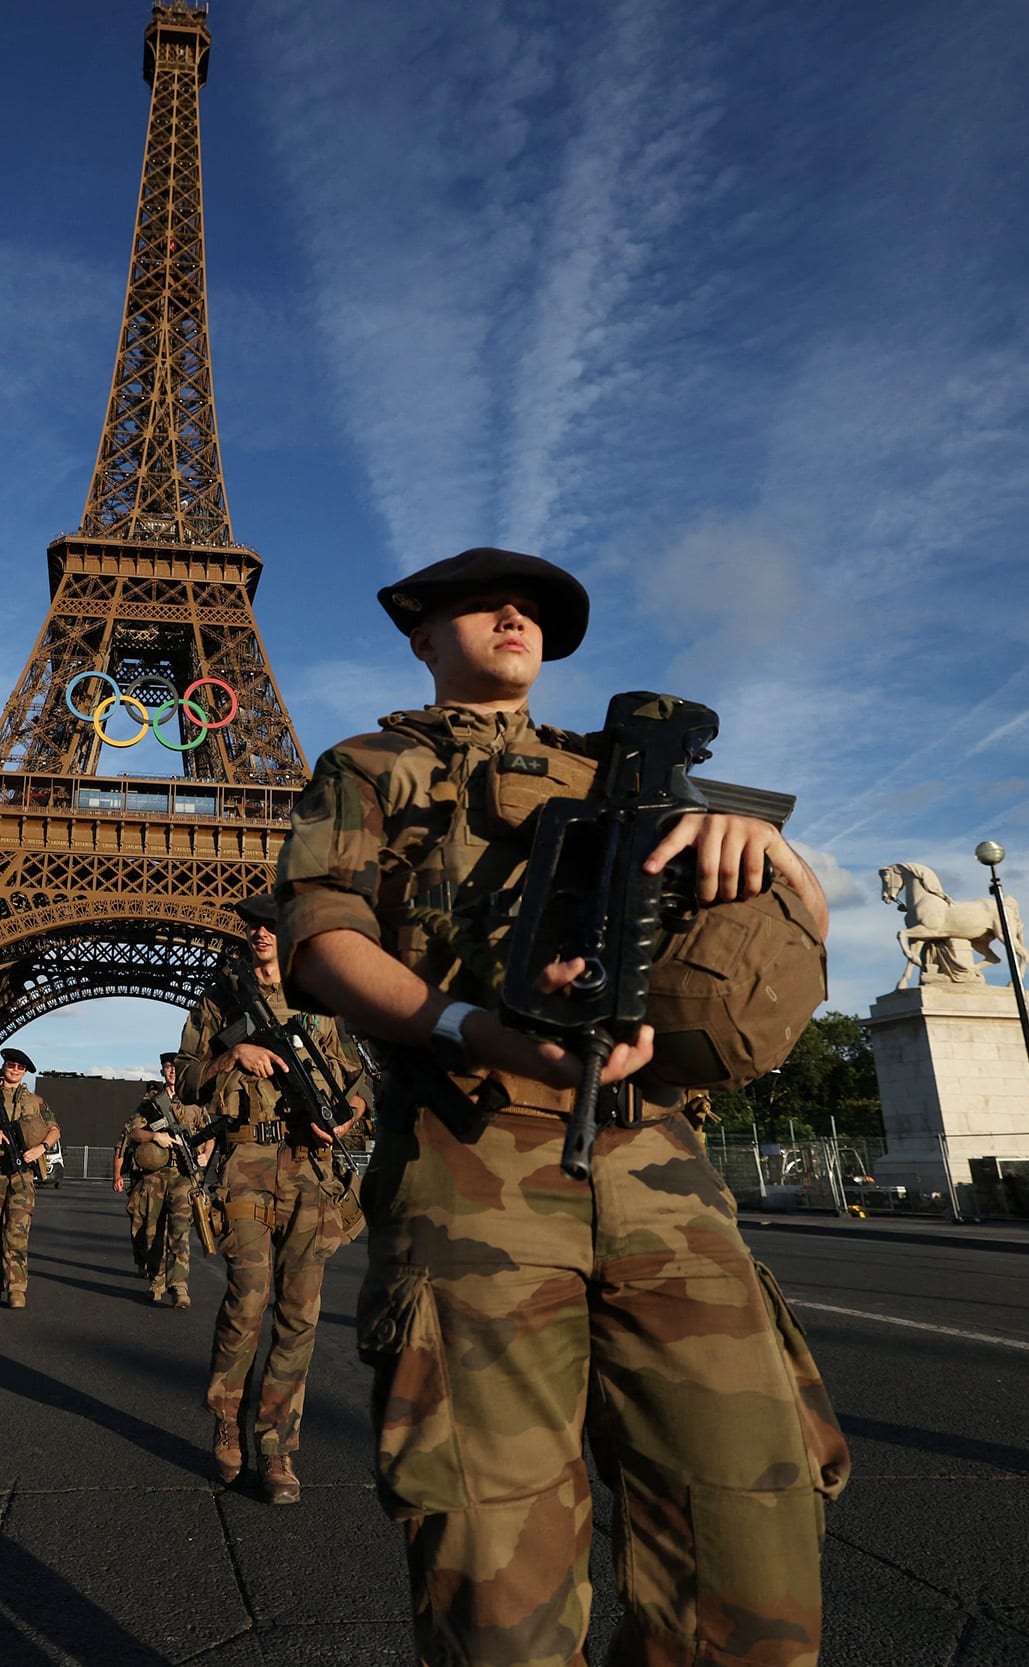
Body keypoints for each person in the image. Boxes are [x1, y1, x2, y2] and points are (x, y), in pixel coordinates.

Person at [274, 547, 849, 1666]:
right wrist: (465, 1025)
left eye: (533, 609)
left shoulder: (629, 776)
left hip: (660, 1164)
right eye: (483, 603)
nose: (513, 615)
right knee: (499, 1587)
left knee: (752, 1546)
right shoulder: (371, 764)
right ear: (421, 636)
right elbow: (319, 931)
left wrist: (766, 847)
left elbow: (802, 926)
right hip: (469, 1156)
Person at [179, 892, 368, 1505]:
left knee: (299, 1315)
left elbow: (360, 1078)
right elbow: (184, 1078)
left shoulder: (324, 1001)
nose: (262, 934)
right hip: (246, 1163)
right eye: (254, 926)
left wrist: (349, 1115)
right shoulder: (220, 997)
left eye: (274, 926)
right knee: (248, 1297)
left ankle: (277, 1447)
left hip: (310, 1167)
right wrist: (234, 1053)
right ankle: (227, 1418)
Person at [0, 1048, 59, 1307]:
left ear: (25, 1071)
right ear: (4, 1066)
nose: (15, 1069)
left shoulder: (36, 1102)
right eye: (11, 1064)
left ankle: (16, 1288)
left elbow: (54, 1130)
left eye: (20, 1067)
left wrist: (41, 1148)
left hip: (22, 1172)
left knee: (17, 1232)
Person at [113, 1051, 196, 1307]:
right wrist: (154, 1137)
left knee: (180, 1230)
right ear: (162, 1071)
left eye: (176, 1067)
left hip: (182, 1175)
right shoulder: (150, 1103)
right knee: (152, 1231)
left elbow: (208, 1133)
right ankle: (156, 1278)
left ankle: (179, 1286)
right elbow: (134, 1132)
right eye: (168, 1067)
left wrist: (204, 1155)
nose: (172, 1071)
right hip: (154, 1177)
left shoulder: (194, 1101)